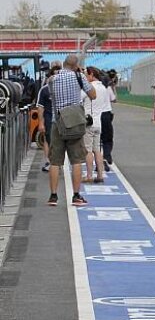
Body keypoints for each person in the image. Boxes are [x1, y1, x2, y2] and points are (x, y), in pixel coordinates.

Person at [47, 54, 96, 207]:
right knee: (76, 160)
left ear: (63, 64)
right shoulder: (78, 76)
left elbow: (51, 96)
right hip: (75, 122)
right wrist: (81, 76)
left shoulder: (52, 79)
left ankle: (53, 196)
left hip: (58, 122)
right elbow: (93, 95)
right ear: (76, 66)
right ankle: (76, 196)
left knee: (55, 161)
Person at [82, 67, 108, 183]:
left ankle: (89, 175)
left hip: (88, 121)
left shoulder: (89, 88)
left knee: (88, 150)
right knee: (97, 149)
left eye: (86, 75)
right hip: (98, 121)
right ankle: (100, 175)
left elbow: (79, 100)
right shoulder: (103, 88)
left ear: (91, 75)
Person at [36, 62, 62, 172]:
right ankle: (48, 161)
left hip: (62, 119)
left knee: (60, 142)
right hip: (49, 119)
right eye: (54, 75)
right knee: (48, 141)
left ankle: (58, 162)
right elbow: (40, 107)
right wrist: (41, 123)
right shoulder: (45, 89)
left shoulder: (64, 87)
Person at [101, 71, 116, 171]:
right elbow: (114, 99)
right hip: (106, 114)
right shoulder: (108, 88)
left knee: (97, 140)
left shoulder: (93, 88)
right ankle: (106, 156)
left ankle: (99, 160)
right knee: (108, 138)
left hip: (95, 115)